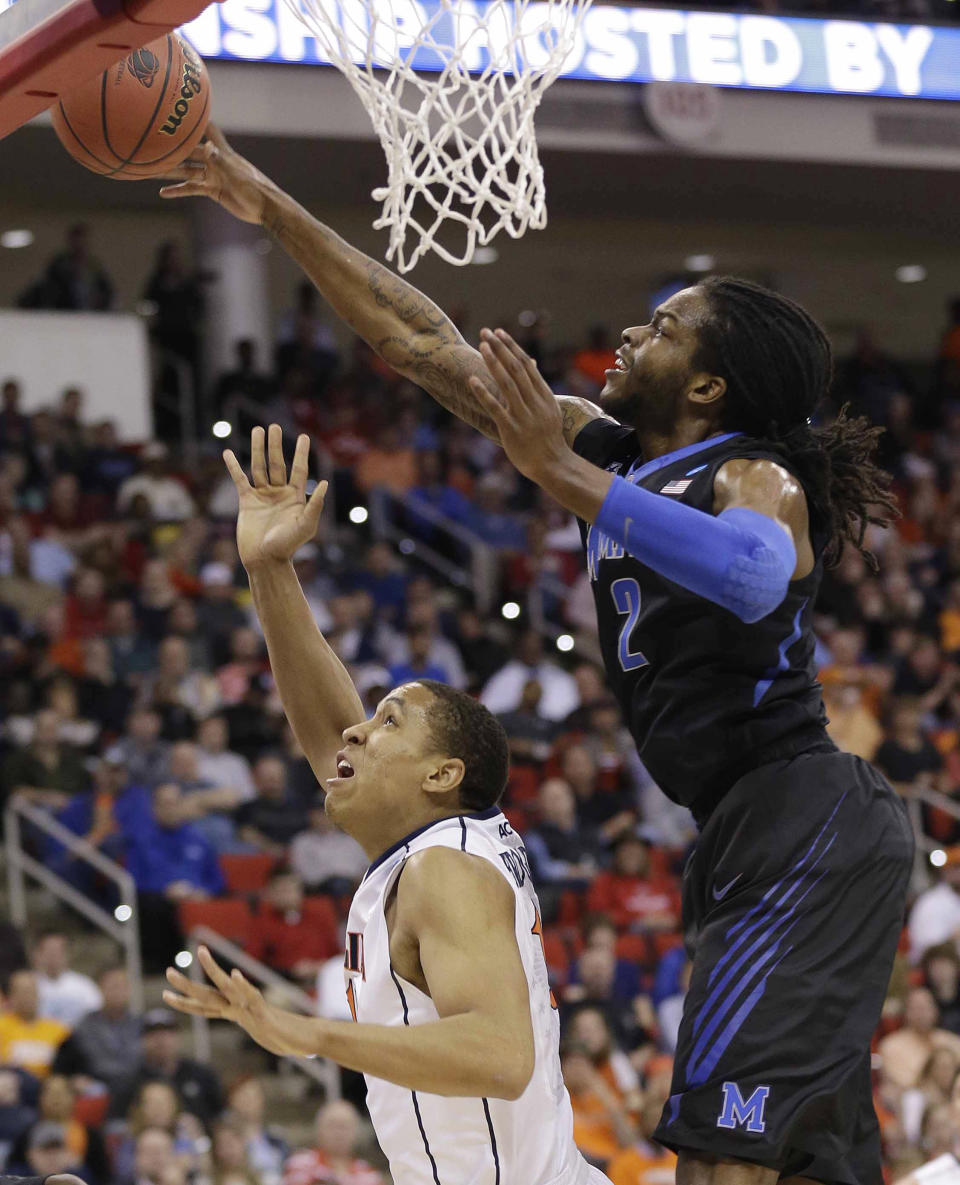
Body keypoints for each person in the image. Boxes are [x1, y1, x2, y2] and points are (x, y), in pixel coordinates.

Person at [165, 131, 914, 1185]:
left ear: (707, 387)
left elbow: (754, 576)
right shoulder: (609, 452)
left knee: (721, 1162)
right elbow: (418, 341)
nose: (627, 334)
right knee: (794, 1165)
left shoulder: (753, 476)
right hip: (749, 832)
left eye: (662, 329)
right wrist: (269, 204)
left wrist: (559, 475)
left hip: (807, 816)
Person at [161, 425, 613, 1185]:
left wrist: (309, 1032)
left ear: (442, 773)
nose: (356, 730)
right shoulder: (446, 838)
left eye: (387, 721)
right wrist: (270, 568)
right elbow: (325, 725)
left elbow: (501, 1057)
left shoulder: (445, 869)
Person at [282, 1100, 382, 1185]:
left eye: (344, 1127)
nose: (338, 1133)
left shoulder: (369, 1175)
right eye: (332, 1125)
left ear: (356, 1133)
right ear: (319, 1130)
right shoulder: (300, 1164)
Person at [0, 972, 70, 1080]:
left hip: (49, 1086)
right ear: (10, 996)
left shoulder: (58, 1030)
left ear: (39, 995)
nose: (26, 997)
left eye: (30, 992)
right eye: (21, 992)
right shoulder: (2, 1026)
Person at [29, 933, 101, 1029]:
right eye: (49, 951)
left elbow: (96, 1016)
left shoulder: (84, 986)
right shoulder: (28, 985)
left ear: (67, 954)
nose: (53, 956)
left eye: (58, 951)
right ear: (37, 954)